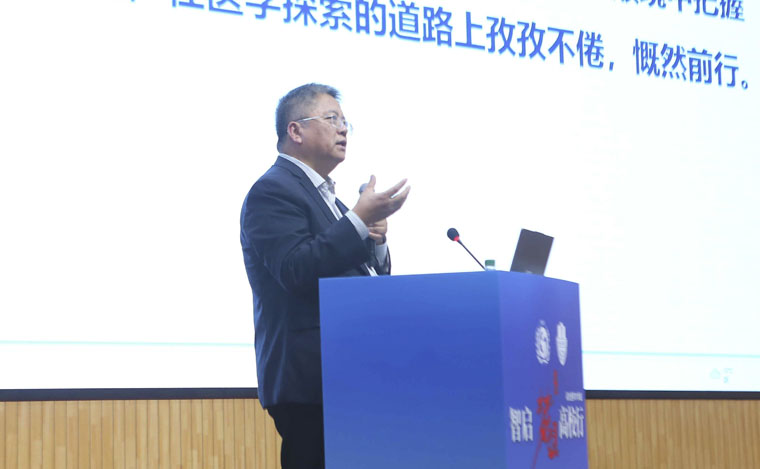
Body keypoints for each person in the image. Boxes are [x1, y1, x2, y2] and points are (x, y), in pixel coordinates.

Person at [240, 83, 410, 469]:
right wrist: (358, 220)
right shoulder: (272, 191)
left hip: (353, 371)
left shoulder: (328, 197)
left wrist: (375, 238)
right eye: (332, 119)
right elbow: (296, 269)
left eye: (345, 121)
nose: (343, 129)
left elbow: (355, 272)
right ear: (295, 130)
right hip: (310, 380)